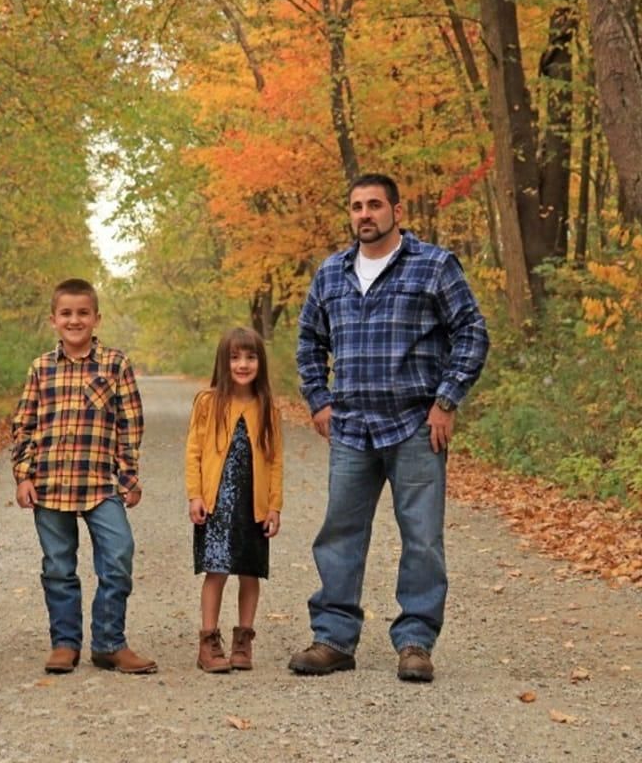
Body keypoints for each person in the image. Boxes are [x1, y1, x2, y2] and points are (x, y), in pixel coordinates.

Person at [289, 173, 489, 683]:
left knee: (421, 538)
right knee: (339, 534)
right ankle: (333, 638)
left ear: (396, 211)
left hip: (415, 426)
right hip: (351, 429)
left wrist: (446, 402)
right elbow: (310, 341)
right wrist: (318, 401)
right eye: (356, 206)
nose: (365, 214)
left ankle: (416, 641)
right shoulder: (331, 273)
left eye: (374, 205)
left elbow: (471, 332)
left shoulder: (434, 265)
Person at [11, 278, 156, 675]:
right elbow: (23, 425)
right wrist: (24, 475)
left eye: (83, 313)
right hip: (50, 483)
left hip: (100, 484)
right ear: (53, 320)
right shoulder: (41, 368)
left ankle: (109, 641)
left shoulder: (115, 364)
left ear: (96, 318)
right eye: (66, 314)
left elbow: (130, 424)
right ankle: (65, 643)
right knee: (58, 565)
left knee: (118, 553)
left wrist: (128, 477)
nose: (75, 320)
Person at [185, 327, 283, 673]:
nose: (243, 364)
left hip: (252, 505)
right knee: (216, 570)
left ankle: (243, 642)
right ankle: (208, 642)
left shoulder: (267, 406)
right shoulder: (208, 402)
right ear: (223, 362)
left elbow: (274, 459)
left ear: (261, 362)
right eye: (235, 357)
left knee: (249, 572)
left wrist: (274, 506)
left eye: (251, 357)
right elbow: (194, 452)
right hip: (216, 505)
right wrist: (195, 495)